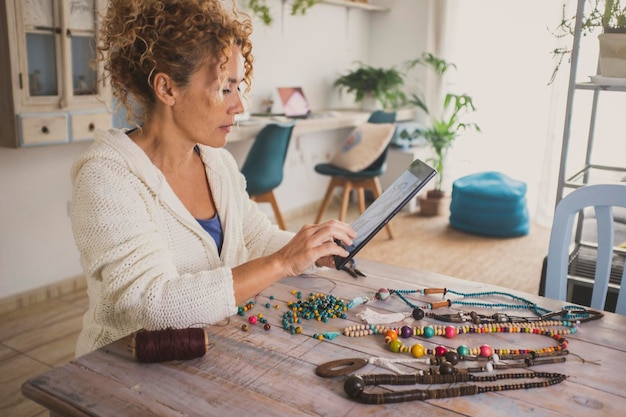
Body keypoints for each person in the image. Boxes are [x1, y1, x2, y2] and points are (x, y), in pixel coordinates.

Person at [70, 0, 355, 357]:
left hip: (210, 352)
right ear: (167, 89)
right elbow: (152, 304)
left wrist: (313, 252)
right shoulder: (106, 177)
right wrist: (282, 263)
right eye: (224, 88)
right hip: (123, 371)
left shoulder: (217, 163)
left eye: (238, 87)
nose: (239, 105)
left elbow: (257, 238)